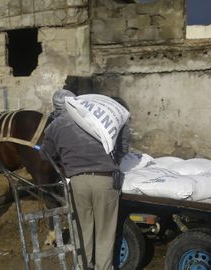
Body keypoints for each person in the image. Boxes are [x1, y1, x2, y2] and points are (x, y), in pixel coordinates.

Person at [41, 89, 130, 270]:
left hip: (78, 182)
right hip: (106, 181)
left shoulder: (56, 126)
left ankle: (82, 266)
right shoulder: (98, 116)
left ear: (56, 107)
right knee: (105, 231)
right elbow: (124, 143)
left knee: (82, 229)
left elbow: (46, 155)